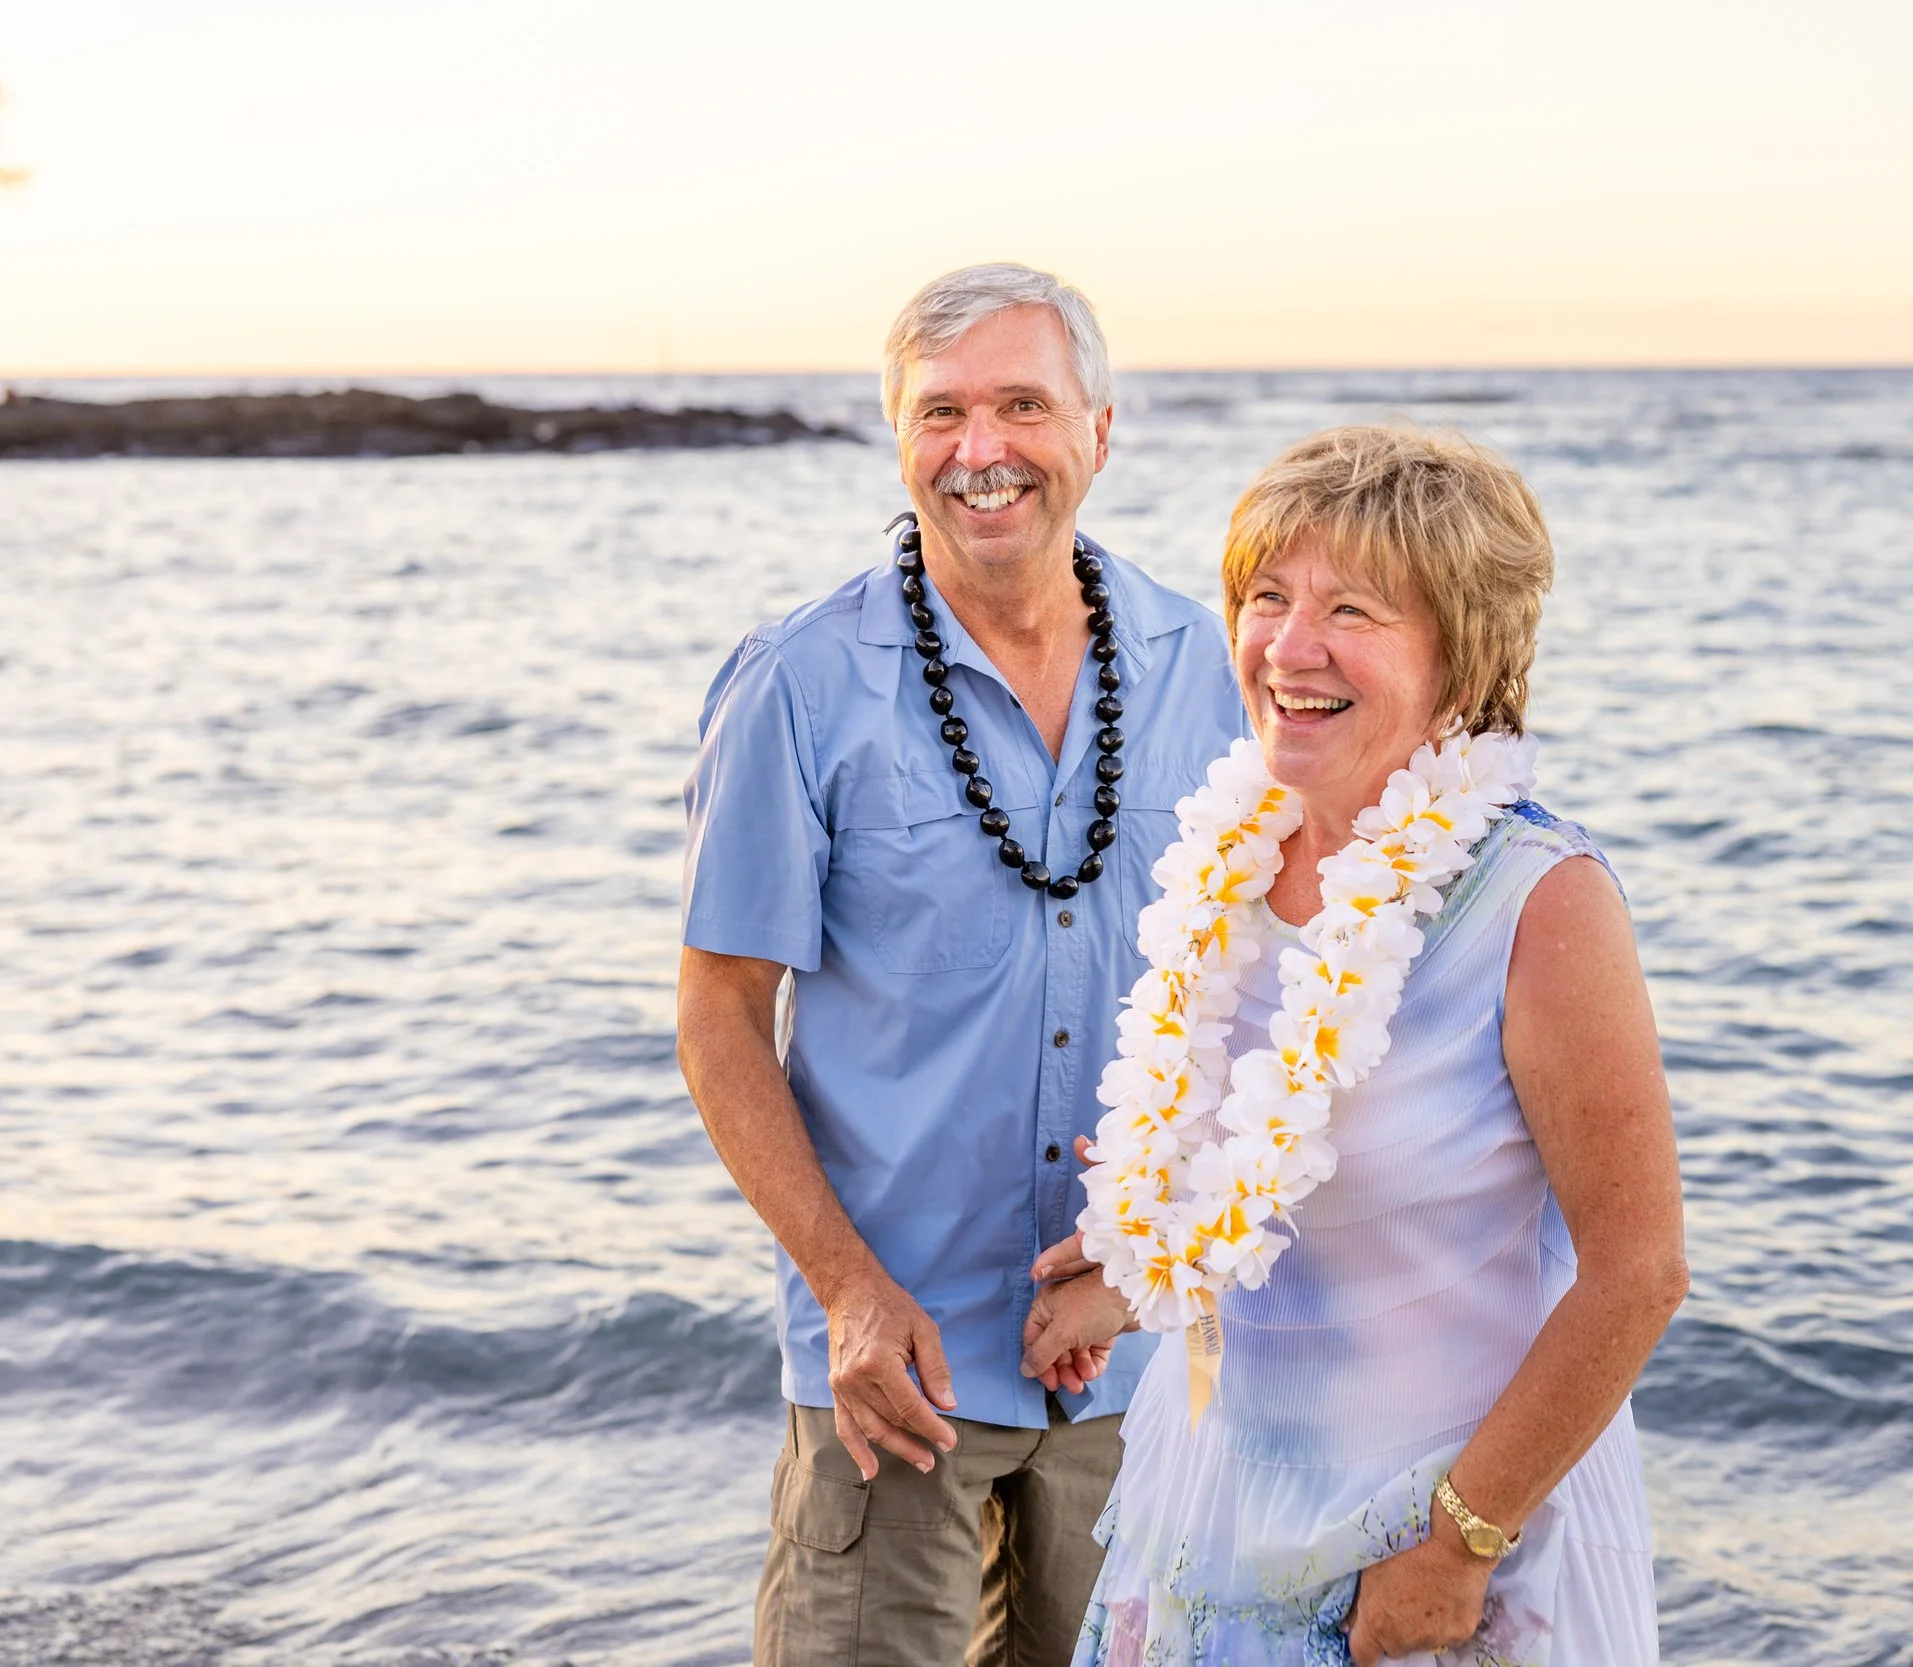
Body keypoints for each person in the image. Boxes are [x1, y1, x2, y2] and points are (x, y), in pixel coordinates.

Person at [1021, 426, 1689, 1665]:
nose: (1289, 646)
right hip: (1216, 1495)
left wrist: (1458, 1542)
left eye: (1352, 610)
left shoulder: (1537, 898)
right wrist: (1137, 1272)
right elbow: (1281, 1183)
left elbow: (1637, 1272)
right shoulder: (1232, 855)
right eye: (1265, 596)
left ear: (1462, 648)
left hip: (1440, 1526)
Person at [675, 263, 1245, 1667]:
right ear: (899, 434)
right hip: (895, 1375)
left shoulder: (1212, 667)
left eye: (1020, 406)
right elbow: (722, 1018)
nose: (980, 450)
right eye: (941, 412)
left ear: (1100, 433)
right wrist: (848, 1290)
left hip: (1139, 1368)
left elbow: (1274, 998)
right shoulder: (798, 684)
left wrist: (1156, 1248)